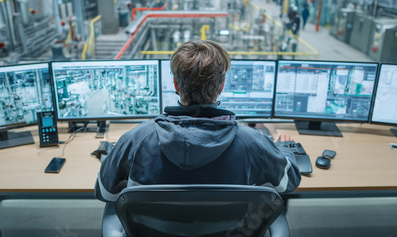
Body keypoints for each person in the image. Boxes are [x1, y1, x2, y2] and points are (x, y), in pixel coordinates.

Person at [95, 40, 301, 235]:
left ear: (176, 85)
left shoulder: (136, 139)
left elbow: (105, 192)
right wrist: (283, 148)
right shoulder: (252, 142)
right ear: (221, 87)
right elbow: (290, 181)